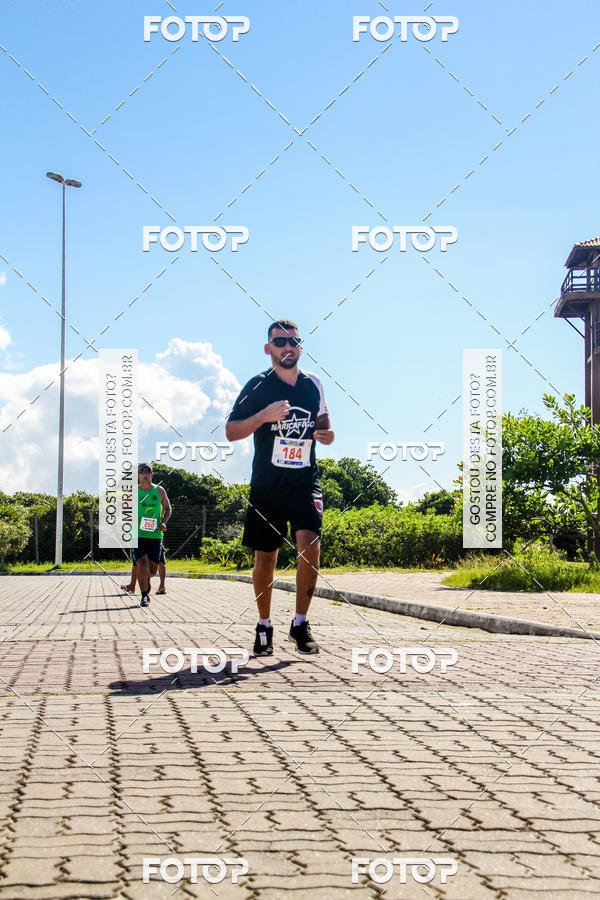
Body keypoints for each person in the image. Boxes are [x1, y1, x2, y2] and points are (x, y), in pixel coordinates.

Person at [225, 319, 334, 655]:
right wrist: (264, 416)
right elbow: (231, 430)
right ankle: (264, 624)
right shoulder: (258, 386)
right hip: (268, 484)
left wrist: (327, 435)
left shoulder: (313, 384)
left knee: (310, 548)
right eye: (280, 342)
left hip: (304, 481)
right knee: (266, 558)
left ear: (300, 347)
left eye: (294, 341)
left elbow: (325, 426)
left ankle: (300, 624)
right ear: (267, 348)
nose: (288, 347)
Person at [127, 463, 171, 606]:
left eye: (147, 472)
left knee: (151, 571)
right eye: (142, 473)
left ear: (152, 475)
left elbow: (168, 508)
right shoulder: (133, 492)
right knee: (140, 564)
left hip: (155, 535)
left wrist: (164, 522)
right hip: (138, 535)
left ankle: (145, 580)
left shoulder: (159, 491)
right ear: (138, 475)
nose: (144, 475)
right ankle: (144, 596)